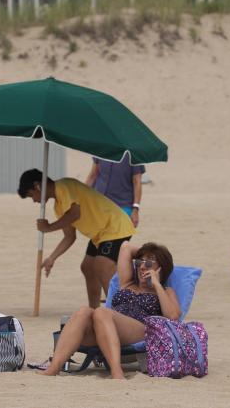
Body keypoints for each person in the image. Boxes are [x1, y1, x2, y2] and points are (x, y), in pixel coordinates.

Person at [39, 242, 180, 379]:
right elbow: (125, 246)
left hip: (141, 328)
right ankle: (54, 368)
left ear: (161, 267)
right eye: (139, 262)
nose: (142, 267)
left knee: (101, 311)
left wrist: (156, 282)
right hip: (107, 327)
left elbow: (173, 316)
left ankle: (116, 372)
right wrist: (149, 255)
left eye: (149, 263)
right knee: (84, 311)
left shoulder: (166, 291)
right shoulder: (127, 283)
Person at [17, 169, 135, 308]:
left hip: (115, 226)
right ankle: (94, 309)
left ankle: (117, 309)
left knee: (102, 265)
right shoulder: (58, 207)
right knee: (87, 267)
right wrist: (52, 258)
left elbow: (75, 214)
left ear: (37, 186)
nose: (34, 201)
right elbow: (69, 236)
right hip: (100, 234)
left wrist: (49, 227)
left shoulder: (64, 186)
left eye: (32, 195)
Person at [85, 156, 144, 226]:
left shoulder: (133, 154)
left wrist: (135, 209)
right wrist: (80, 197)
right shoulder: (101, 150)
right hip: (99, 204)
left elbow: (137, 181)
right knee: (97, 235)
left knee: (120, 236)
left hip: (123, 206)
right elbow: (93, 175)